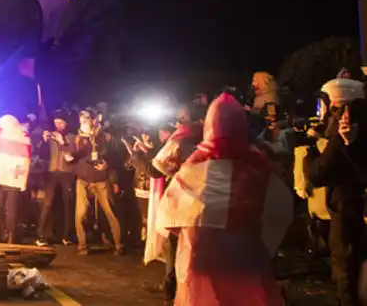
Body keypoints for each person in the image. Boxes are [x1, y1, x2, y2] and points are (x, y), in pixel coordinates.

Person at [156, 94, 291, 306]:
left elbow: (168, 214)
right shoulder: (259, 168)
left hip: (203, 261)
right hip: (247, 260)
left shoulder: (193, 169)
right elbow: (281, 211)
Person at [303, 79, 367, 306]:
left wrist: (309, 151)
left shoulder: (344, 137)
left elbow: (317, 173)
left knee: (346, 277)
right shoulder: (355, 132)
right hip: (351, 211)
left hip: (347, 214)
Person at [151, 102, 204, 301]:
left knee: (176, 244)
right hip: (204, 199)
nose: (178, 122)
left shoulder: (181, 138)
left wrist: (177, 174)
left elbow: (158, 164)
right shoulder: (213, 137)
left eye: (181, 118)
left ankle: (172, 287)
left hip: (184, 197)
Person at [68, 109, 124, 255]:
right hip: (83, 180)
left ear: (94, 120)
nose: (83, 123)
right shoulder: (77, 138)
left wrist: (108, 166)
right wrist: (68, 158)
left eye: (86, 120)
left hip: (101, 180)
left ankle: (119, 244)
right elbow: (72, 158)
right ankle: (82, 246)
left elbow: (118, 159)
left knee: (110, 212)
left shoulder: (106, 138)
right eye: (81, 121)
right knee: (80, 215)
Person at [0, 114, 30, 244]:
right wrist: (24, 180)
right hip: (16, 177)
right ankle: (11, 237)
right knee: (12, 208)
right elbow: (27, 156)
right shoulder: (23, 133)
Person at [37, 113, 75, 247]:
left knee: (68, 203)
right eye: (56, 123)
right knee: (48, 203)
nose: (58, 125)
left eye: (61, 123)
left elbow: (74, 154)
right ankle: (41, 234)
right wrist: (43, 140)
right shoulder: (51, 136)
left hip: (67, 173)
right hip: (52, 173)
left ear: (66, 124)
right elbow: (40, 152)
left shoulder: (72, 137)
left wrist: (63, 142)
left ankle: (67, 235)